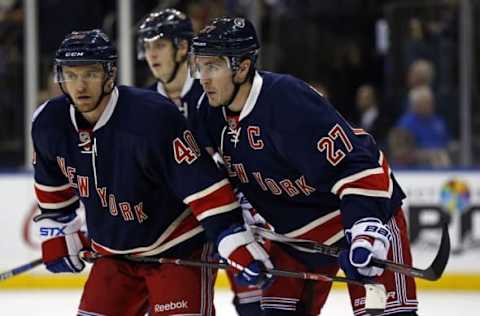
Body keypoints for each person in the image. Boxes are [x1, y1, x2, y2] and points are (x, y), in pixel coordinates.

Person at [31, 29, 273, 316]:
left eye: (91, 74)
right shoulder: (49, 123)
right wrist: (59, 232)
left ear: (110, 74)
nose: (80, 86)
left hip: (176, 249)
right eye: (71, 75)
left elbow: (205, 189)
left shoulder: (153, 118)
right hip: (114, 257)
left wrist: (233, 239)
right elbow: (53, 193)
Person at [190, 17, 418, 315]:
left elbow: (356, 162)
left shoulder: (288, 102)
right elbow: (205, 180)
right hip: (292, 238)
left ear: (242, 67)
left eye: (213, 66)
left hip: (354, 216)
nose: (203, 78)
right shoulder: (208, 114)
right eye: (200, 66)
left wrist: (365, 228)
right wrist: (230, 233)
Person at [137, 9, 264, 315]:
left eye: (159, 45)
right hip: (176, 227)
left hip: (226, 215)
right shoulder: (142, 106)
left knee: (255, 303)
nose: (151, 54)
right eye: (147, 46)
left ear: (182, 48)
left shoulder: (215, 93)